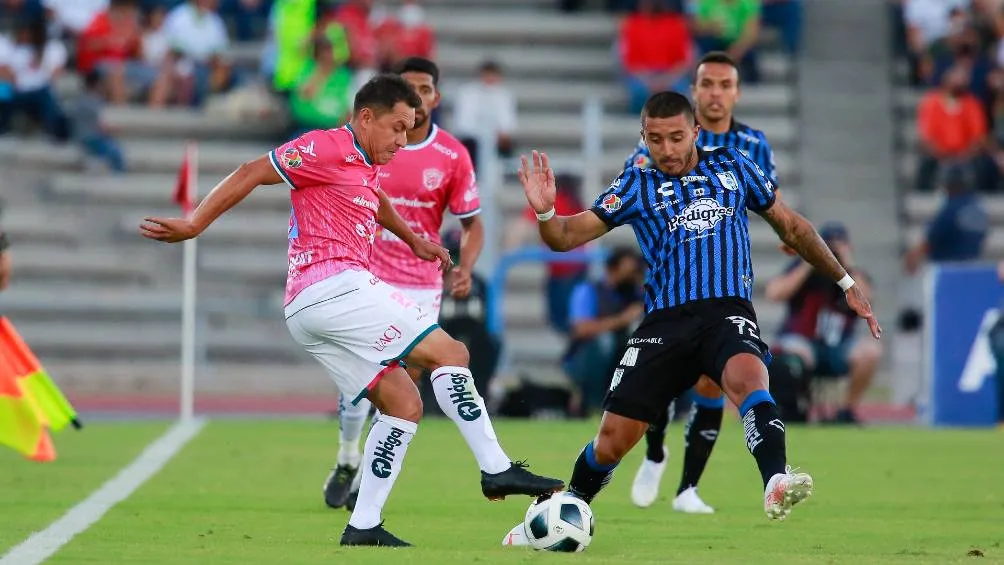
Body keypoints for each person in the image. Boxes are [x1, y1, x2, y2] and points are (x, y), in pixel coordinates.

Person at [140, 74, 562, 548]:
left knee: (403, 405)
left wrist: (413, 239)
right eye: (397, 128)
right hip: (335, 285)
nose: (403, 141)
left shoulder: (362, 162)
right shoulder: (323, 147)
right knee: (453, 353)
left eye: (410, 130)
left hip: (306, 309)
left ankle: (363, 524)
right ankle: (495, 469)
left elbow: (373, 199)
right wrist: (195, 222)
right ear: (365, 117)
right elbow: (250, 170)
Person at [503, 91, 881, 545]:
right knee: (612, 441)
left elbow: (793, 228)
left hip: (726, 311)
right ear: (644, 137)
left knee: (748, 377)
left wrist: (845, 283)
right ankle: (549, 522)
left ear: (695, 132)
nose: (667, 149)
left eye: (677, 137)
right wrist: (546, 211)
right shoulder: (636, 185)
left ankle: (775, 479)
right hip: (664, 325)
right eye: (656, 139)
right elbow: (564, 237)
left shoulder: (734, 165)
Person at [322, 57, 531, 514]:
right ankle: (348, 456)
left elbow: (473, 225)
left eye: (425, 90)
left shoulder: (453, 155)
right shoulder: (371, 143)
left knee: (402, 382)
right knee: (367, 387)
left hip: (419, 285)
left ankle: (364, 487)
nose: (418, 100)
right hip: (367, 274)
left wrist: (467, 267)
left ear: (436, 97)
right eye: (409, 90)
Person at [627, 51, 779, 514]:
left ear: (736, 92)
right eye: (707, 84)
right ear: (694, 94)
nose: (715, 93)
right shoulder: (658, 145)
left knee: (716, 381)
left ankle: (687, 488)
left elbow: (772, 203)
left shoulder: (753, 144)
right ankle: (655, 452)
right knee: (663, 386)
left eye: (724, 84)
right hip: (671, 283)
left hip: (725, 279)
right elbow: (634, 197)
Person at [765, 222, 881, 424]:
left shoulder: (855, 276)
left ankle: (846, 411)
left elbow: (867, 298)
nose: (833, 251)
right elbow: (774, 293)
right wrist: (812, 260)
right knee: (796, 353)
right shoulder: (801, 270)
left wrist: (846, 265)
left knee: (870, 352)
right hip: (803, 341)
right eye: (827, 246)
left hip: (839, 345)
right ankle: (795, 407)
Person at [563, 247, 644, 417]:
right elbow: (581, 329)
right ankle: (593, 404)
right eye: (627, 272)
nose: (632, 278)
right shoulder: (588, 291)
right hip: (584, 356)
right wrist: (622, 320)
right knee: (604, 341)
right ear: (611, 269)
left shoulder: (637, 295)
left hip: (621, 355)